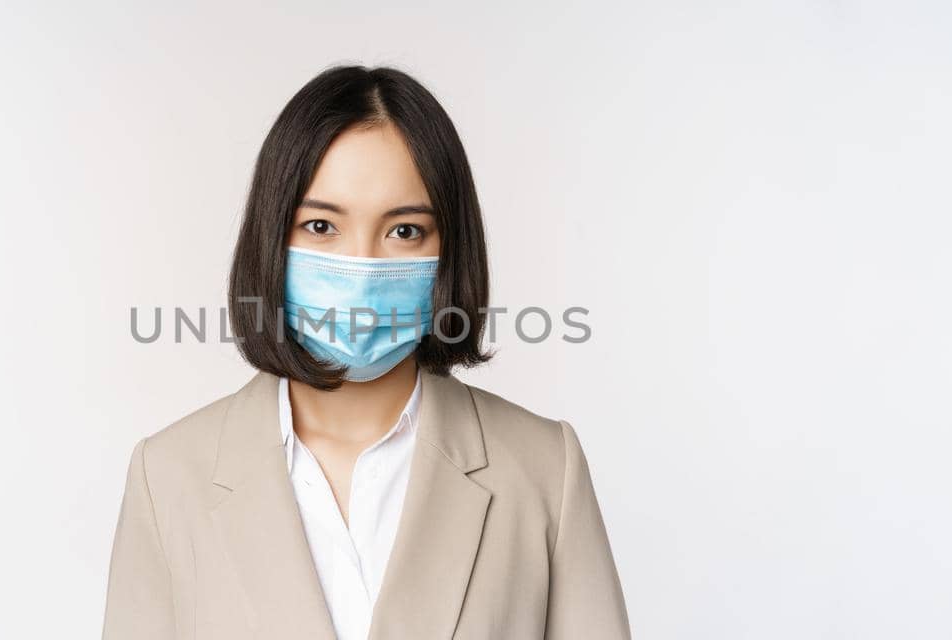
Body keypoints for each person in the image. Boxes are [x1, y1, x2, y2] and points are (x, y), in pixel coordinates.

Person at [104, 65, 629, 639]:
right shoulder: (169, 477)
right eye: (321, 225)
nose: (362, 269)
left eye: (403, 231)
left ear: (449, 251)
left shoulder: (545, 470)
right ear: (271, 238)